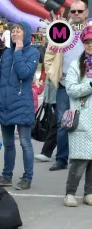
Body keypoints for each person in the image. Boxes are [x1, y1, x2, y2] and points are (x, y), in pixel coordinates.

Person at [44, 1, 89, 171]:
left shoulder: (90, 31)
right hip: (64, 85)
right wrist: (53, 74)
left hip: (87, 85)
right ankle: (61, 159)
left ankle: (85, 158)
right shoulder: (61, 30)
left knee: (87, 124)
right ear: (69, 13)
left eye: (80, 11)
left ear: (86, 12)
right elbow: (49, 55)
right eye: (73, 11)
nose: (76, 13)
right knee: (64, 123)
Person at [0, 22, 39, 190]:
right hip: (5, 103)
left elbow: (25, 72)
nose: (15, 33)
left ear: (26, 33)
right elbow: (1, 78)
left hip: (22, 103)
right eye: (13, 30)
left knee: (25, 143)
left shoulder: (32, 52)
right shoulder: (6, 53)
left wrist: (18, 52)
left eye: (19, 30)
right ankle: (7, 176)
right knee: (8, 144)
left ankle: (27, 177)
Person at [62, 25, 92, 207]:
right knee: (80, 159)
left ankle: (89, 192)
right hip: (82, 118)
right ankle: (70, 193)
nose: (90, 45)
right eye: (87, 42)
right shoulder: (76, 65)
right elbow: (71, 89)